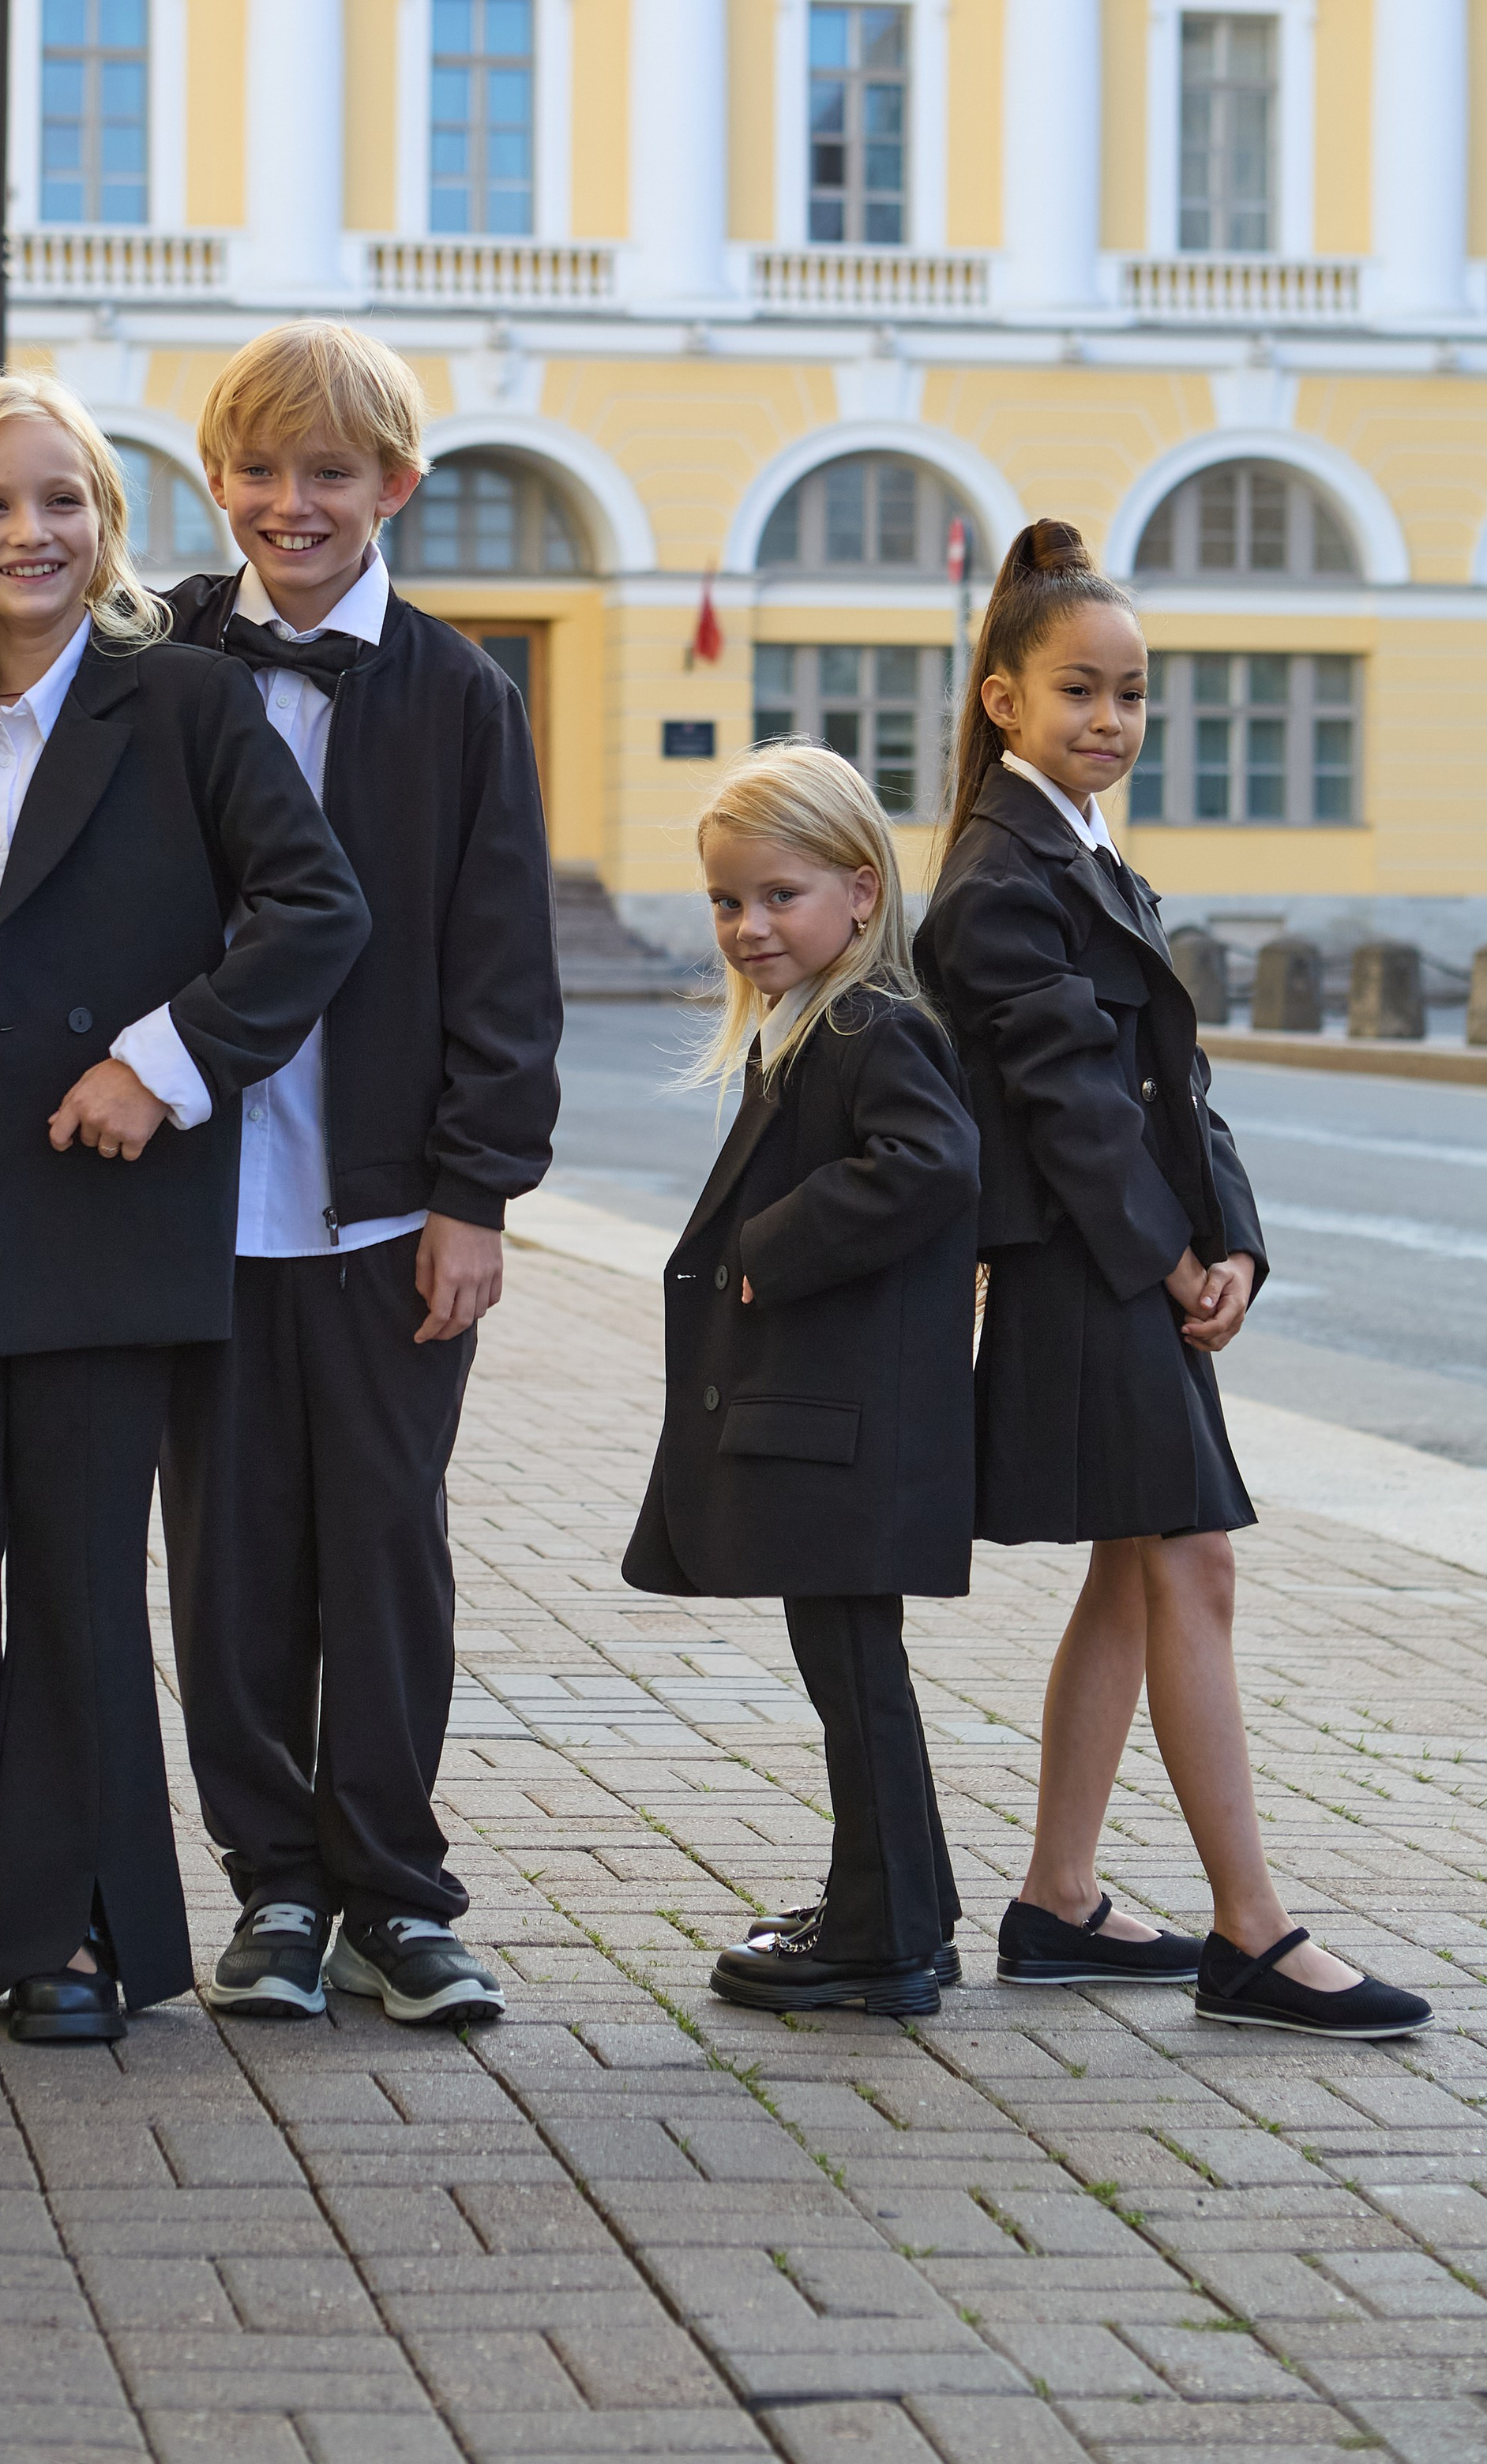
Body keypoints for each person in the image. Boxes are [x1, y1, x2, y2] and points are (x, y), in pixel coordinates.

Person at [0, 321, 561, 2028]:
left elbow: (482, 960)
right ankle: (251, 1891)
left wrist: (473, 1191)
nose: (287, 503)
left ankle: (374, 1901)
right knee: (199, 1563)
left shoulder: (425, 694)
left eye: (326, 474)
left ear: (391, 489)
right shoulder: (149, 638)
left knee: (370, 1551)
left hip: (357, 1198)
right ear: (209, 493)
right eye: (256, 475)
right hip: (137, 1208)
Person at [914, 518, 1430, 2041]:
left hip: (1124, 1262)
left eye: (1135, 696)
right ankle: (1252, 1935)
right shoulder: (1000, 879)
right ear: (1003, 698)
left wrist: (1241, 1238)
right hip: (1085, 1270)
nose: (1113, 722)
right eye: (1083, 691)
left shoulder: (1076, 854)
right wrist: (1173, 1256)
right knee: (1187, 1567)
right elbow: (1075, 1104)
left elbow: (1173, 1084)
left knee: (1140, 1579)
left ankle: (1058, 1899)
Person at [622, 741, 982, 2019]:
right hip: (838, 1426)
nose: (749, 925)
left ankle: (881, 1942)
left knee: (853, 1672)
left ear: (862, 895)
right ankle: (904, 1910)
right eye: (727, 901)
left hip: (850, 1429)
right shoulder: (812, 1027)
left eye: (781, 896)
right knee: (853, 1668)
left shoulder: (868, 1027)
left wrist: (771, 1251)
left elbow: (931, 1165)